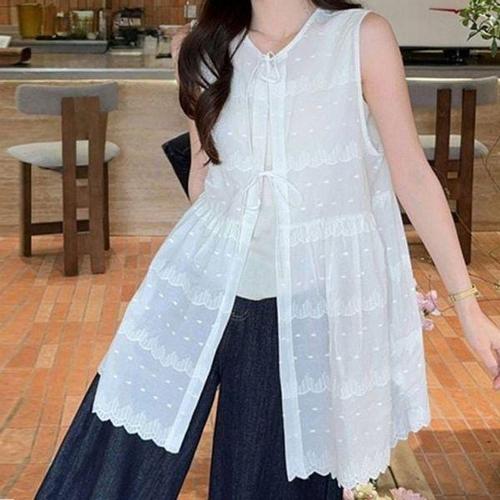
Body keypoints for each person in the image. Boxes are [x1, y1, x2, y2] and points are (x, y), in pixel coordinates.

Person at [35, 0, 500, 499]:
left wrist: (468, 310)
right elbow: (203, 181)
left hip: (303, 311)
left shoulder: (360, 36)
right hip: (199, 285)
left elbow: (412, 175)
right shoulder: (200, 47)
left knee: (273, 481)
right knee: (108, 464)